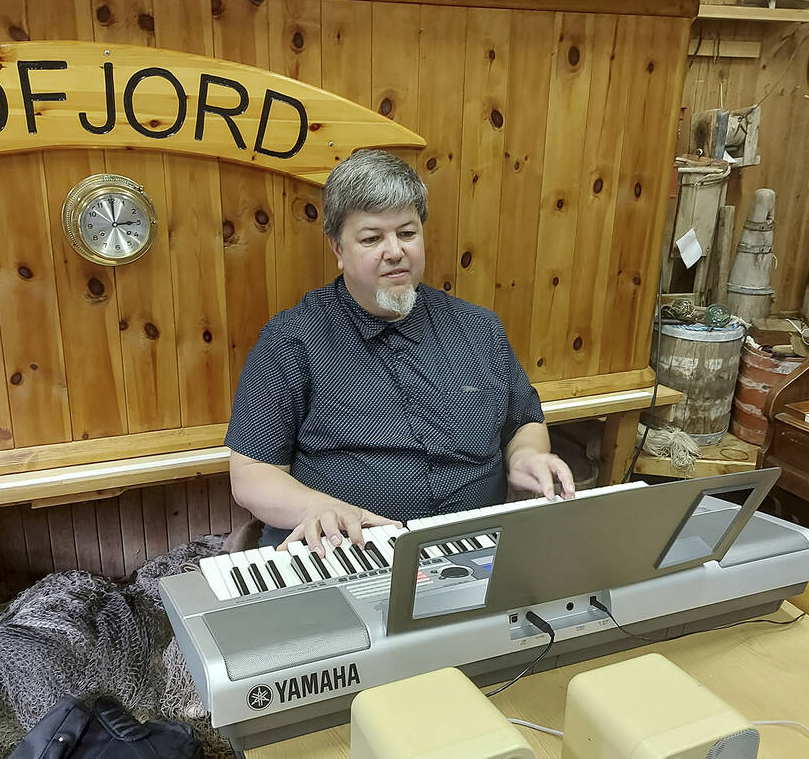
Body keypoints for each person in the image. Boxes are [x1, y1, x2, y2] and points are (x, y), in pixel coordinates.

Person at [225, 148, 575, 555]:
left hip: (476, 550)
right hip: (346, 554)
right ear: (338, 249)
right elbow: (250, 472)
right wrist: (320, 507)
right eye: (372, 238)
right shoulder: (291, 340)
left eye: (407, 233)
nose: (394, 251)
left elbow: (523, 423)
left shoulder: (479, 329)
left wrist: (527, 457)